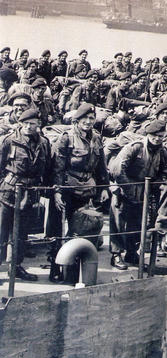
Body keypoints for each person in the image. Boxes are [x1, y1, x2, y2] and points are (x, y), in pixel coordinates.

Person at [108, 120, 167, 269]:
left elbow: (164, 171)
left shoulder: (163, 152)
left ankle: (131, 252)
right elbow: (117, 170)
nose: (157, 138)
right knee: (118, 222)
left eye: (160, 136)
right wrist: (130, 190)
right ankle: (116, 255)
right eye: (154, 135)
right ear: (148, 134)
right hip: (123, 189)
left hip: (145, 191)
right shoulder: (135, 147)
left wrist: (156, 185)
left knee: (136, 224)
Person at [0, 108, 52, 281]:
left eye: (34, 124)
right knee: (1, 232)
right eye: (27, 124)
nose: (30, 127)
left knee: (22, 235)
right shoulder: (9, 141)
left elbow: (47, 168)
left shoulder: (43, 143)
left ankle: (15, 267)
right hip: (8, 193)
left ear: (39, 125)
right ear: (21, 123)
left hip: (29, 194)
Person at [51, 103, 109, 252]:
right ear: (77, 120)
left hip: (85, 191)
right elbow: (58, 167)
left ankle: (74, 261)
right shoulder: (66, 138)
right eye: (85, 118)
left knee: (79, 227)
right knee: (56, 229)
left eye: (91, 118)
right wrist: (57, 191)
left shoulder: (96, 138)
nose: (88, 122)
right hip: (67, 190)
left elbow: (101, 166)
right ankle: (56, 265)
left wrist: (104, 188)